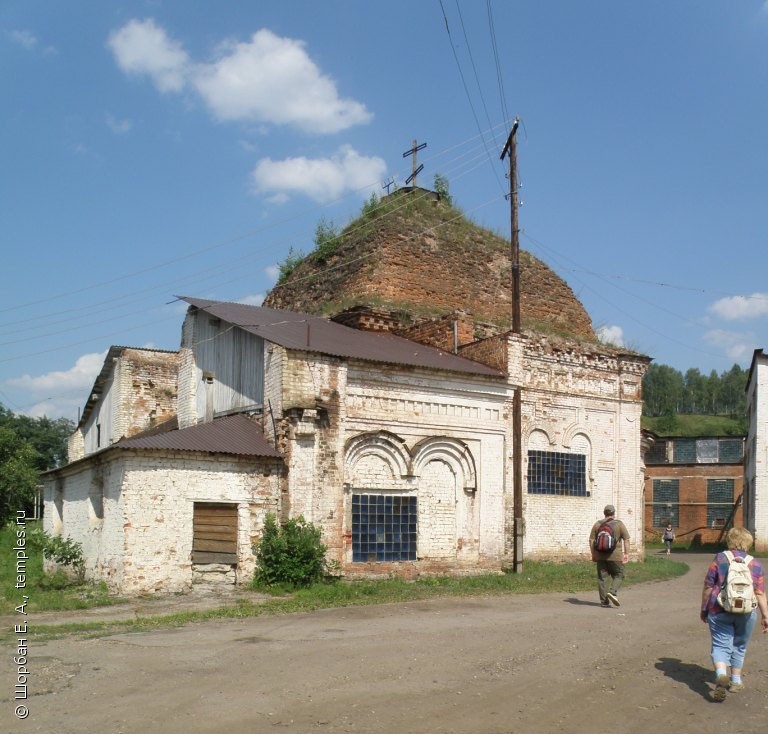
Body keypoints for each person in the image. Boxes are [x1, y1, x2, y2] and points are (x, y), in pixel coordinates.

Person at [700, 526, 768, 701]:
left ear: (730, 541)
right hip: (746, 612)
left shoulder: (720, 559)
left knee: (720, 645)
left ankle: (722, 674)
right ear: (748, 543)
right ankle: (736, 680)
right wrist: (765, 616)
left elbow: (708, 586)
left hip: (719, 608)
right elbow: (760, 593)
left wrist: (704, 608)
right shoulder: (755, 564)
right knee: (740, 645)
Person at [589, 504, 630, 608]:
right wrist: (626, 554)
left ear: (604, 513)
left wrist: (593, 554)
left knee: (602, 578)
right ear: (614, 514)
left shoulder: (597, 524)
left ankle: (604, 602)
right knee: (620, 574)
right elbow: (626, 539)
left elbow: (591, 540)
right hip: (615, 556)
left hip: (600, 556)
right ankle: (613, 592)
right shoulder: (619, 524)